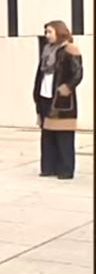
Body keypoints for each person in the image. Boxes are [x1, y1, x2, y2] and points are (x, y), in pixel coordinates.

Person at [35, 20, 83, 180]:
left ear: (59, 32)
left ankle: (65, 170)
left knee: (63, 136)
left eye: (49, 32)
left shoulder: (70, 49)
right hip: (45, 95)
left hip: (62, 100)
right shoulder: (47, 50)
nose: (47, 35)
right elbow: (40, 74)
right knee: (47, 134)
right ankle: (48, 168)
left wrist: (67, 88)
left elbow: (77, 73)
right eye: (46, 32)